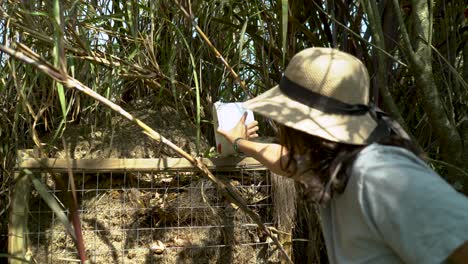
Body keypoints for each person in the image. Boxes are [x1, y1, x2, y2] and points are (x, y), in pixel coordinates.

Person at [217, 47, 468, 263]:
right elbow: (282, 159)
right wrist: (239, 141)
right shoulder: (335, 164)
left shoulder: (379, 175)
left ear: (299, 124)